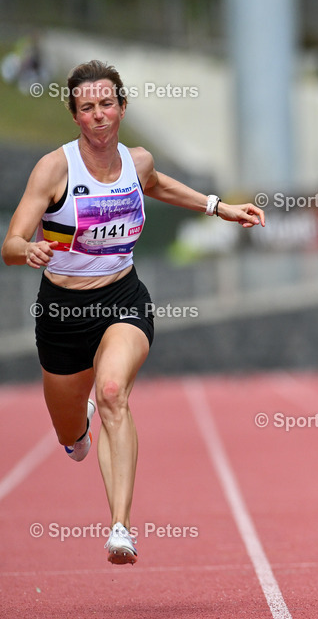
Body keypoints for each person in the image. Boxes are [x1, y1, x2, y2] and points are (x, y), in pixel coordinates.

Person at [1, 60, 265, 564]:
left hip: (122, 298)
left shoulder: (136, 161)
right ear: (75, 116)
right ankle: (75, 430)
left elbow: (158, 184)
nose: (98, 116)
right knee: (70, 438)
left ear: (122, 107)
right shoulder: (55, 169)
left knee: (113, 393)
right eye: (87, 108)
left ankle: (120, 526)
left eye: (106, 104)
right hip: (60, 311)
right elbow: (11, 241)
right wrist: (25, 250)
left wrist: (218, 206)